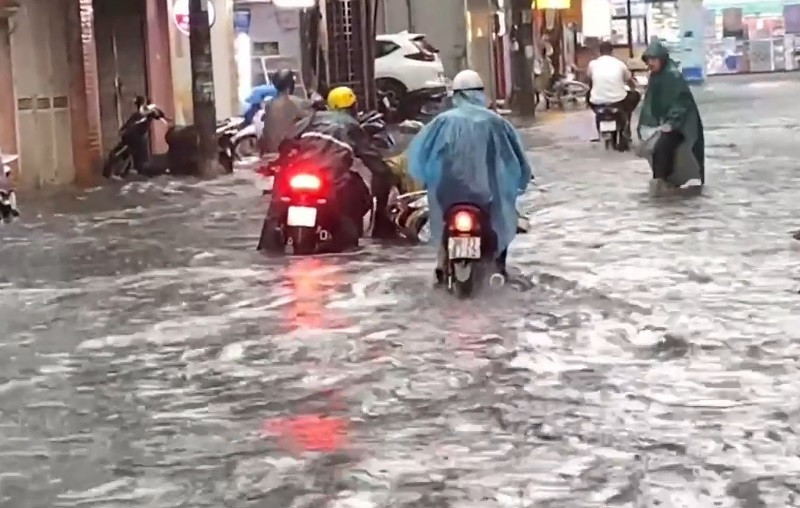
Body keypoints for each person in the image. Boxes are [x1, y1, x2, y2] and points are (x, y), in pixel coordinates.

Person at [406, 69, 532, 281]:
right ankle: (499, 268)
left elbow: (419, 155)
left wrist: (426, 179)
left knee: (442, 222)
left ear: (455, 94)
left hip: (449, 195)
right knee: (502, 221)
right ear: (481, 93)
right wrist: (522, 179)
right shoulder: (496, 122)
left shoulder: (441, 122)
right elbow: (515, 158)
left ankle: (442, 263)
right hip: (486, 196)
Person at [256, 86, 397, 252]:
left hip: (298, 175)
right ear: (354, 107)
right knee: (351, 214)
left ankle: (267, 249)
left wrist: (282, 161)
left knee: (274, 211)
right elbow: (375, 165)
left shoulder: (312, 119)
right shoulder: (352, 126)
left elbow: (287, 142)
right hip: (328, 179)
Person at [638, 39, 705, 184]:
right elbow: (651, 104)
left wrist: (671, 123)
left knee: (662, 147)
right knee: (654, 147)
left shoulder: (672, 76)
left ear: (662, 59)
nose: (651, 63)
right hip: (664, 123)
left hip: (681, 124)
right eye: (649, 59)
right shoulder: (656, 77)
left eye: (654, 59)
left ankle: (661, 181)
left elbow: (681, 103)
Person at [587, 41, 641, 143]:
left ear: (599, 52)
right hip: (618, 101)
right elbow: (630, 81)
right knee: (635, 95)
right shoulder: (620, 64)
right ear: (612, 52)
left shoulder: (592, 64)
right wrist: (633, 87)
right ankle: (627, 124)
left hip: (597, 101)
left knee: (588, 94)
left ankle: (598, 124)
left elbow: (589, 78)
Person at [259, 69, 312, 156]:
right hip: (287, 153)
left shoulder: (269, 104)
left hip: (268, 152)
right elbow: (311, 118)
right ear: (291, 85)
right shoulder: (295, 102)